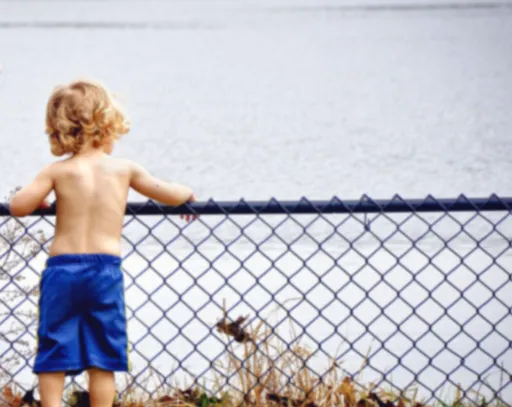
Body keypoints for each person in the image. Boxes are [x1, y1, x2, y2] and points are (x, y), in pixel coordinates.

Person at [9, 79, 197, 407]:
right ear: (107, 124)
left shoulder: (57, 172)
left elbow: (18, 206)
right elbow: (168, 193)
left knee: (54, 348)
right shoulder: (124, 170)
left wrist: (36, 199)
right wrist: (188, 193)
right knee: (103, 355)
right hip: (104, 272)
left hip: (63, 270)